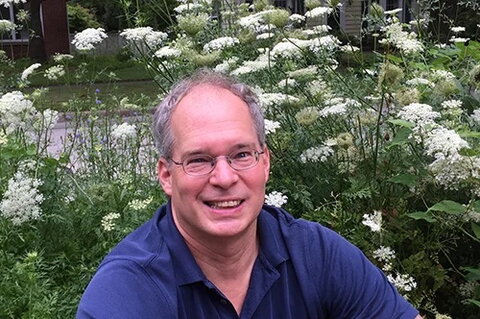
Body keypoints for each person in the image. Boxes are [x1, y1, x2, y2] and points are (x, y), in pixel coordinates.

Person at [77, 69, 422, 318]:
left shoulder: (317, 256)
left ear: (266, 162)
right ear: (167, 175)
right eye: (199, 160)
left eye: (242, 155)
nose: (225, 177)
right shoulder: (128, 290)